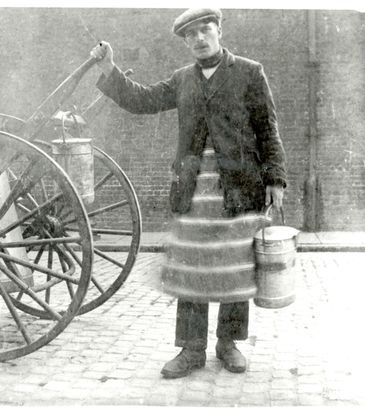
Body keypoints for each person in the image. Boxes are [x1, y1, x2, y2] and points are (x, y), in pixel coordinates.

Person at [90, 8, 287, 378]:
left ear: (218, 30)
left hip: (239, 186)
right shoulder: (182, 80)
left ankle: (228, 345)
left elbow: (268, 129)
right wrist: (110, 71)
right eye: (190, 35)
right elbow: (142, 99)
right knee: (191, 264)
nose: (198, 39)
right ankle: (191, 349)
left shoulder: (249, 72)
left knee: (235, 265)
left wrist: (275, 178)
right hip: (194, 189)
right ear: (185, 42)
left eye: (205, 30)